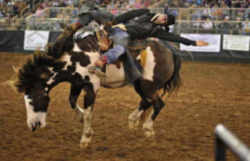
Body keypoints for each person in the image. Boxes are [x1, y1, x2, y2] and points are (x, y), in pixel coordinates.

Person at [91, 10, 209, 82]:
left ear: (163, 24)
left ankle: (101, 62)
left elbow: (175, 37)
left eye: (165, 21)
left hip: (123, 34)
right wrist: (114, 22)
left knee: (120, 48)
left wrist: (193, 43)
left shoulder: (155, 31)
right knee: (96, 13)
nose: (163, 19)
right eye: (165, 17)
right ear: (162, 14)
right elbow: (129, 14)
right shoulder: (144, 12)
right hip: (116, 25)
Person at [48, 1, 114, 55]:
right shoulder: (98, 10)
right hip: (88, 15)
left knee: (71, 30)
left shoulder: (102, 11)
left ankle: (57, 47)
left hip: (91, 16)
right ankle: (57, 47)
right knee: (71, 30)